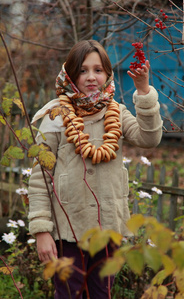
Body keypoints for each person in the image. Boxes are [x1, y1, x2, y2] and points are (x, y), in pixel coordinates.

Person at [28, 39, 163, 299]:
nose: (91, 77)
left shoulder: (117, 113)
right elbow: (40, 179)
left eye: (98, 70)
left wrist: (143, 90)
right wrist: (42, 230)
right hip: (68, 231)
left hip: (108, 229)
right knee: (69, 293)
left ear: (107, 74)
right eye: (83, 70)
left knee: (102, 293)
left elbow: (150, 138)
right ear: (70, 74)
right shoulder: (55, 117)